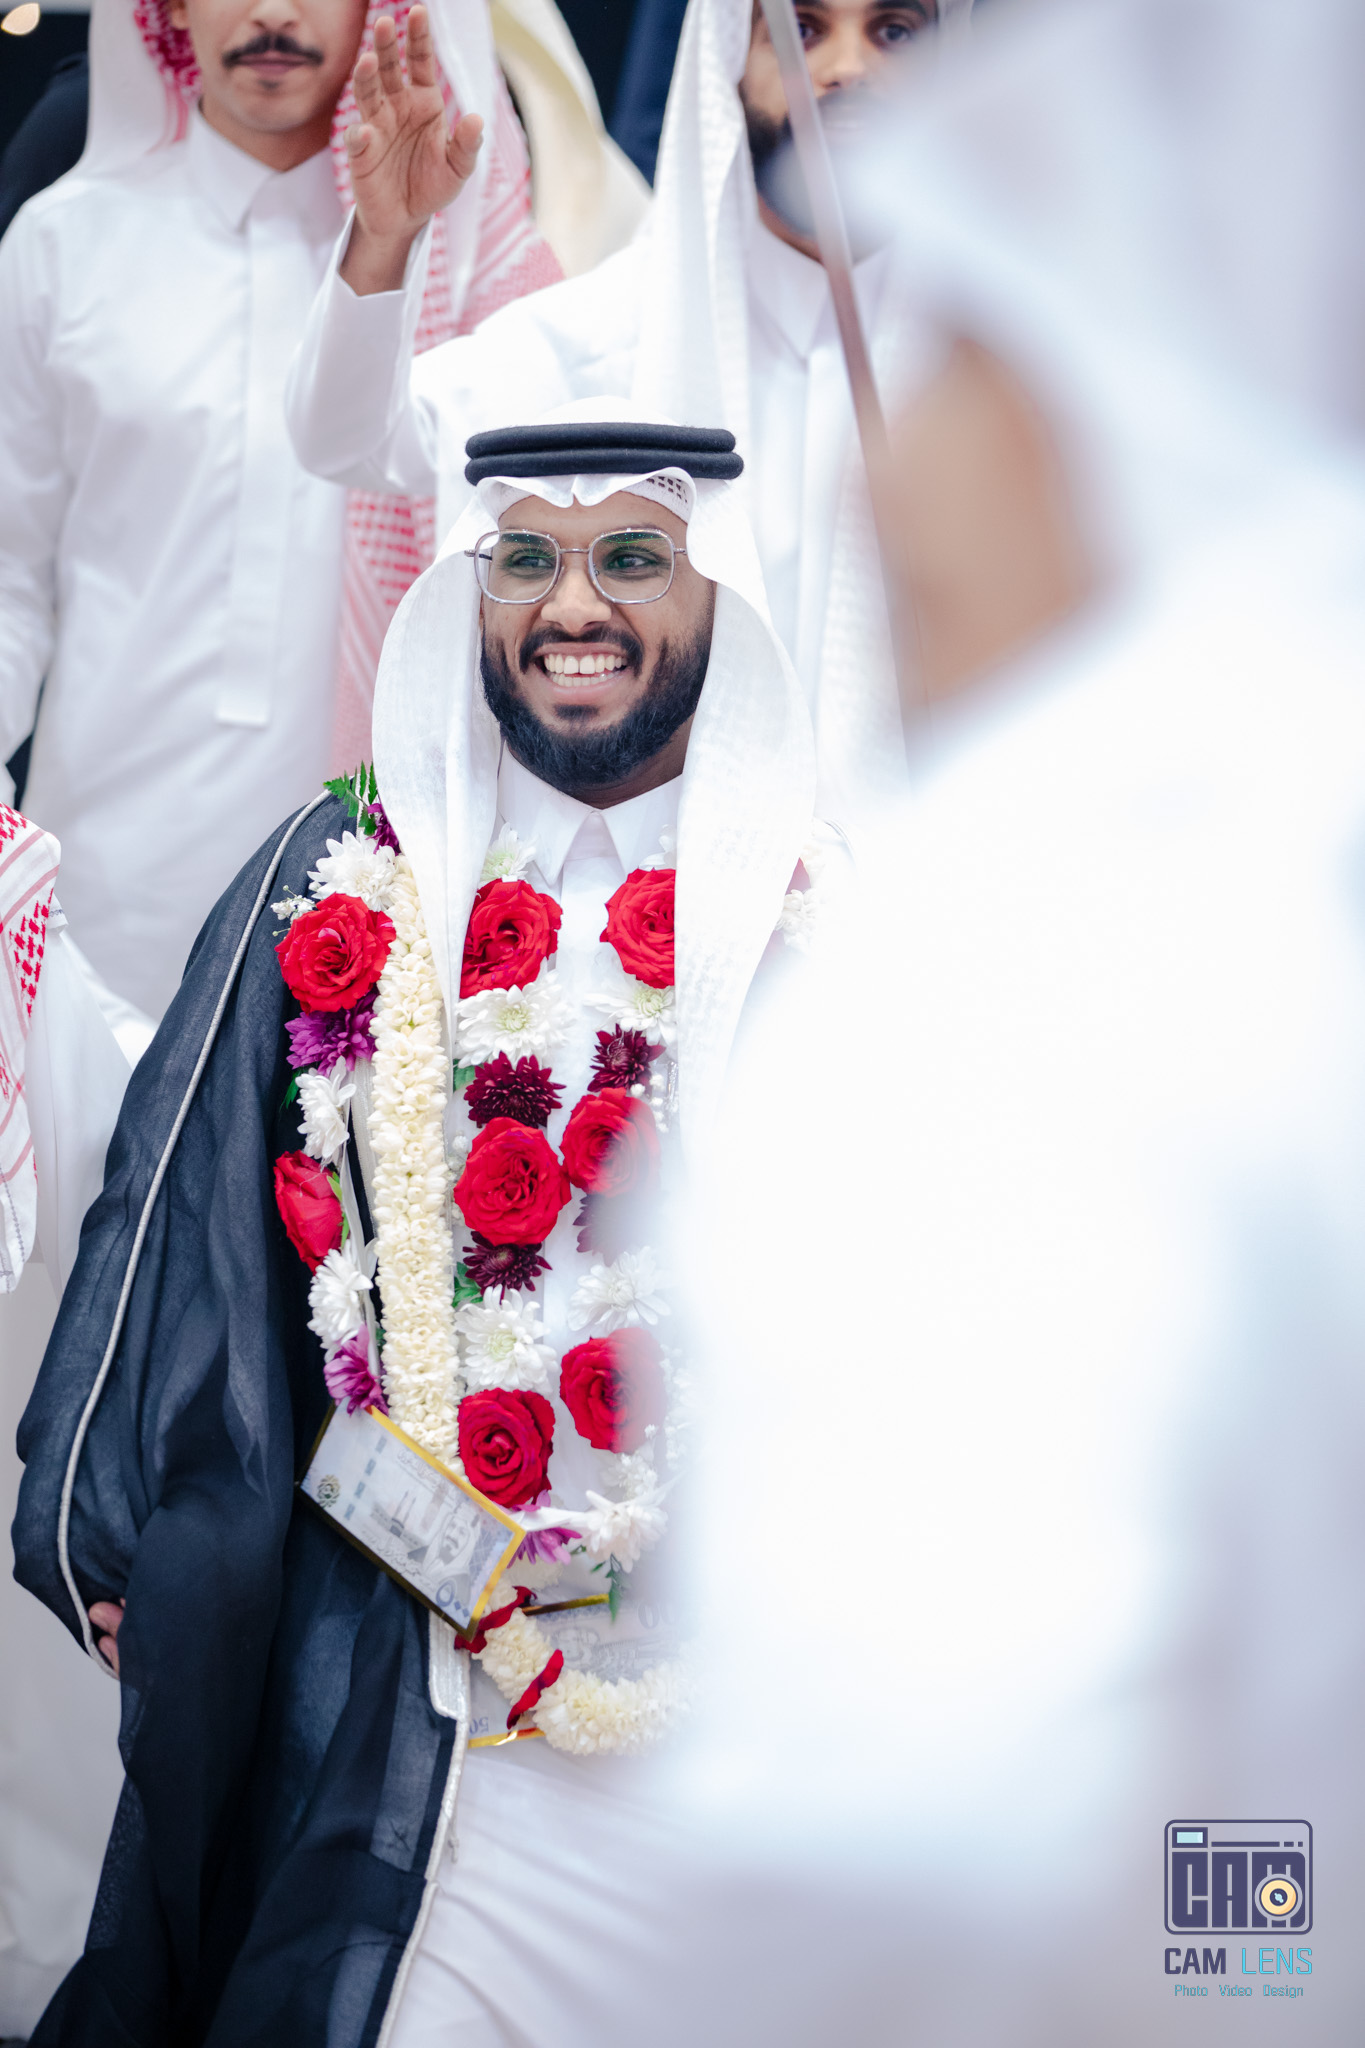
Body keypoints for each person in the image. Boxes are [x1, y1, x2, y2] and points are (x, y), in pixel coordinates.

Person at [13, 405, 825, 2044]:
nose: (574, 605)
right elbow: (183, 1208)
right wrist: (120, 1527)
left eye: (632, 558)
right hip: (416, 1694)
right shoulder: (341, 881)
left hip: (741, 1711)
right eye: (526, 560)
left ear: (717, 594)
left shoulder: (817, 930)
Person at [0, 0, 557, 1028]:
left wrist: (390, 239)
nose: (269, 14)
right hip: (92, 879)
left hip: (357, 893)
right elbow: (8, 578)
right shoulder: (63, 241)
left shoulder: (440, 261)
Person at [286, 0, 972, 827]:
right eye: (802, 30)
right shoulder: (612, 327)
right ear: (728, 64)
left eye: (894, 31)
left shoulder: (1012, 362)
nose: (848, 69)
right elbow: (349, 440)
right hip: (661, 884)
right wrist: (384, 238)